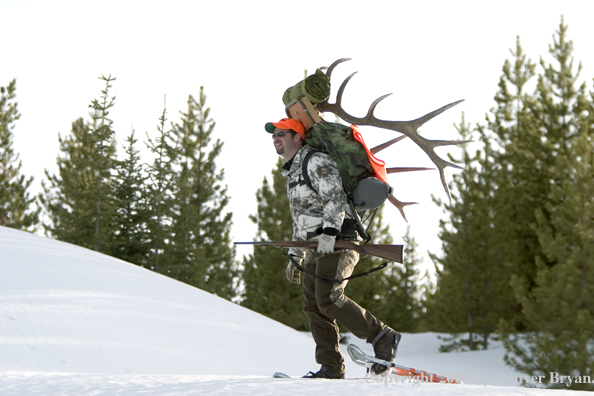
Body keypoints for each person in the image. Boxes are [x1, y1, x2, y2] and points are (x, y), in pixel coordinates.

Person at [264, 117, 402, 379]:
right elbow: (303, 216)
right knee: (313, 305)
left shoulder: (315, 160)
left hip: (339, 239)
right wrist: (296, 253)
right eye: (274, 135)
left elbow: (334, 196)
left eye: (282, 133)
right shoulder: (293, 170)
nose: (276, 138)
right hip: (317, 244)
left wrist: (329, 232)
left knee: (328, 297)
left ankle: (383, 336)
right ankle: (331, 367)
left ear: (297, 137)